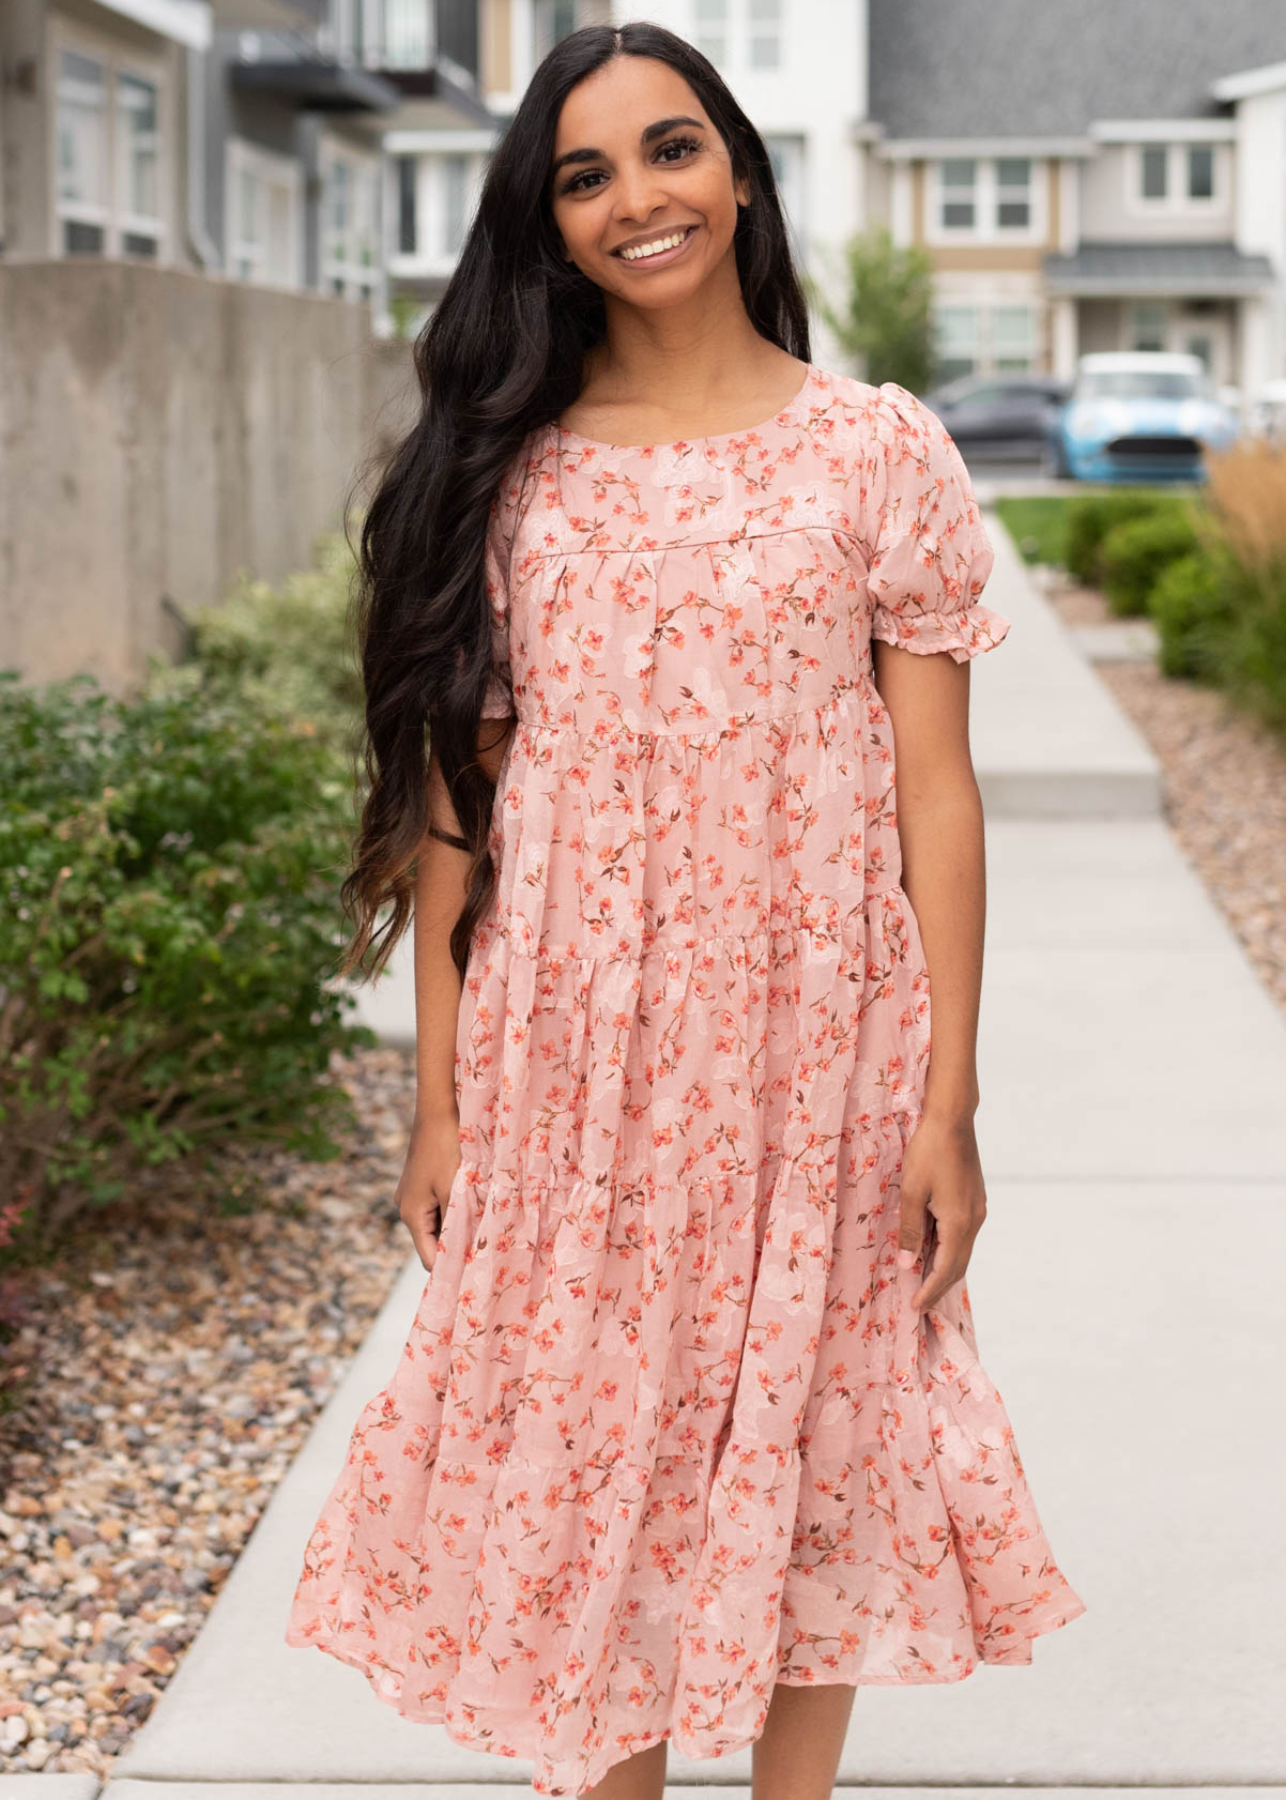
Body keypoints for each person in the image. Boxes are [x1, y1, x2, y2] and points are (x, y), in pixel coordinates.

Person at [284, 20, 1086, 1800]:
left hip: (821, 1030)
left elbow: (933, 791)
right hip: (578, 1047)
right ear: (546, 224)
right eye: (585, 174)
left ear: (738, 167)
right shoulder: (514, 475)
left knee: (816, 1413)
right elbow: (453, 811)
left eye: (669, 149)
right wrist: (437, 1096)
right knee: (596, 1442)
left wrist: (947, 1095)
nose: (637, 198)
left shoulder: (874, 449)